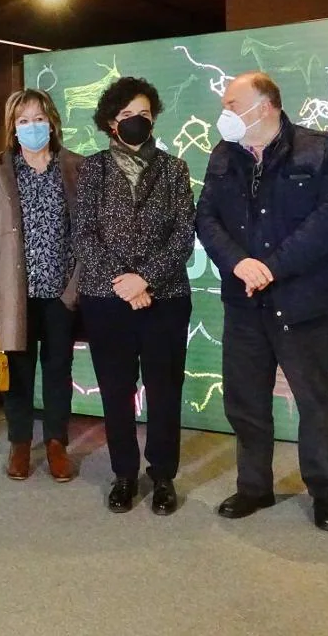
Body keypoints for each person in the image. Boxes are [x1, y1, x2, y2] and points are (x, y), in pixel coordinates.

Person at [195, 71, 328, 532]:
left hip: (305, 302)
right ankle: (254, 487)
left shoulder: (320, 149)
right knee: (245, 402)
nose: (224, 113)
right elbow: (206, 219)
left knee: (314, 401)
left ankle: (326, 493)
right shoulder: (224, 155)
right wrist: (239, 263)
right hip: (245, 304)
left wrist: (273, 267)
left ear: (264, 105)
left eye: (231, 103)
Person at [74, 77, 195, 516]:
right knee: (116, 390)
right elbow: (83, 235)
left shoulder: (174, 169)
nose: (137, 122)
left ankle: (163, 476)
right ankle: (124, 473)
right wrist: (123, 283)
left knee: (165, 390)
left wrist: (145, 279)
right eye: (127, 116)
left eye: (144, 114)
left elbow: (183, 237)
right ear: (110, 123)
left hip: (166, 297)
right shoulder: (92, 169)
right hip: (107, 301)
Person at [0, 89, 82, 482]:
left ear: (52, 121)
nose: (32, 126)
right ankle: (20, 443)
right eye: (23, 120)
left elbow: (87, 234)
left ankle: (56, 443)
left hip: (62, 293)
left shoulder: (76, 168)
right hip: (12, 294)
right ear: (12, 128)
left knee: (58, 370)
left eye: (39, 118)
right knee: (17, 372)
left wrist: (76, 287)